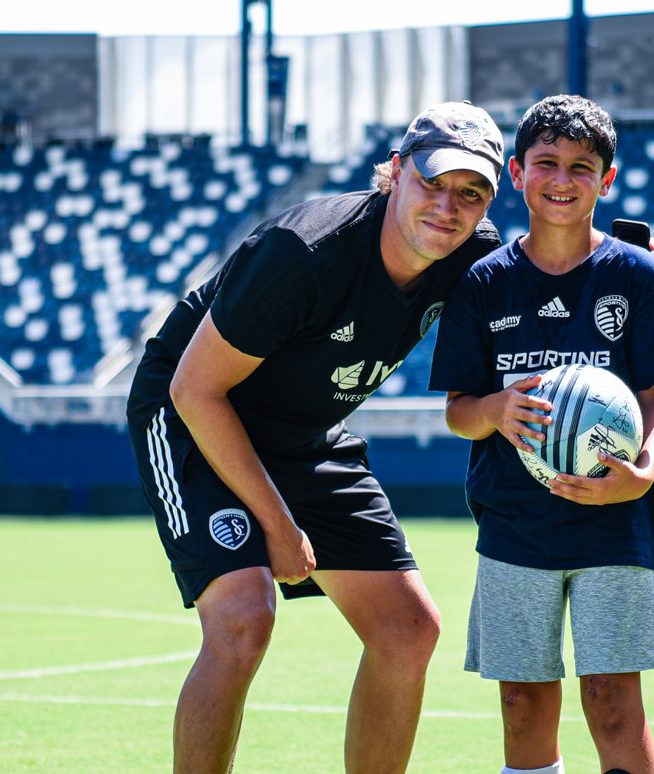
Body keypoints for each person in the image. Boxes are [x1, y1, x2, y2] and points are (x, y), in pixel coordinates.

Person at [126, 102, 507, 773]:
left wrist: (625, 264)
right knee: (245, 620)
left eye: (471, 192)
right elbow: (195, 391)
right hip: (194, 409)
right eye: (433, 181)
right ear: (394, 174)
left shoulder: (474, 259)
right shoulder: (305, 253)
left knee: (408, 631)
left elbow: (550, 284)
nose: (448, 206)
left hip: (303, 429)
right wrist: (276, 522)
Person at [430, 95, 654, 774]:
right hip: (515, 521)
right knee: (522, 700)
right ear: (516, 172)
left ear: (607, 179)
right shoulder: (484, 283)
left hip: (615, 519)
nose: (562, 179)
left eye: (581, 166)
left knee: (611, 699)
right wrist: (494, 412)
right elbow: (458, 409)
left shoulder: (640, 278)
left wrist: (643, 472)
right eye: (546, 163)